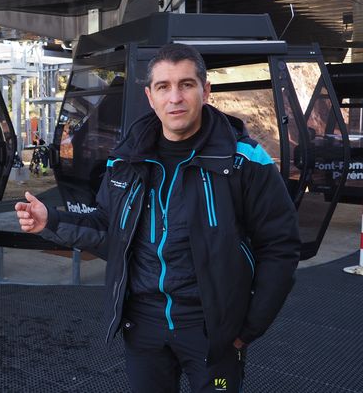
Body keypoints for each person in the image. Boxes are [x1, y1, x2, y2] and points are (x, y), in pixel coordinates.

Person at [15, 43, 301, 392]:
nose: (175, 98)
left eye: (186, 84)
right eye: (164, 87)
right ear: (150, 96)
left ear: (206, 90)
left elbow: (281, 247)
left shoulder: (245, 161)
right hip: (144, 328)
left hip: (214, 333)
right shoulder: (126, 159)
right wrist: (51, 221)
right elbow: (110, 230)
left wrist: (246, 330)